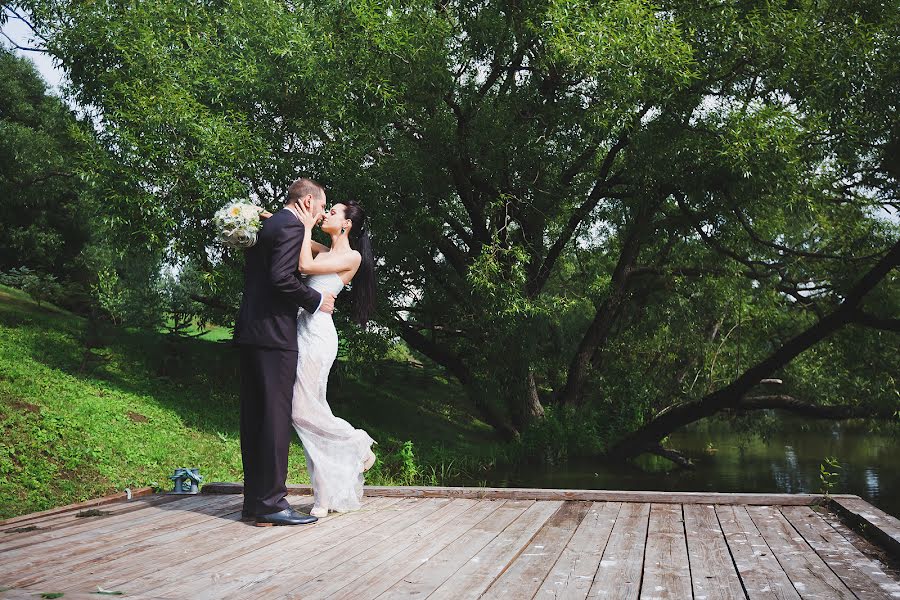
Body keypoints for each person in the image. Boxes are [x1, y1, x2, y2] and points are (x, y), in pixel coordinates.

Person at [233, 177, 336, 527]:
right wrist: (316, 300)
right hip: (274, 335)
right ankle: (273, 503)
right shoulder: (291, 225)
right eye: (321, 207)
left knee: (255, 419)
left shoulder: (273, 223)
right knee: (276, 419)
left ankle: (255, 503)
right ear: (307, 202)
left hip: (251, 331)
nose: (321, 214)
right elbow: (281, 277)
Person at [273, 198, 378, 518]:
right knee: (310, 413)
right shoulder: (328, 250)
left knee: (301, 410)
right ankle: (324, 495)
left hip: (318, 337)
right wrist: (268, 217)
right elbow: (300, 240)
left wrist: (305, 226)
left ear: (346, 224)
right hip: (302, 331)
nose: (326, 214)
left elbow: (304, 265)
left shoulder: (352, 256)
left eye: (332, 212)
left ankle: (356, 441)